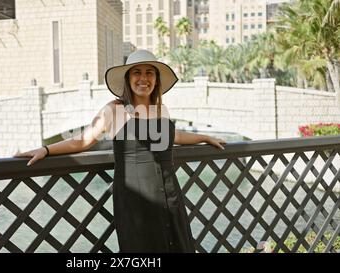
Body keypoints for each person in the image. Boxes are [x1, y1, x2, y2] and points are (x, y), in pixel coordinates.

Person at [15, 49, 226, 253]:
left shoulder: (162, 109)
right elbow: (82, 141)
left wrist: (204, 137)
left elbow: (175, 137)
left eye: (149, 73)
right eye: (137, 72)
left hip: (169, 195)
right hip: (135, 201)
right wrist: (45, 149)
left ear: (156, 79)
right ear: (127, 78)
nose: (143, 78)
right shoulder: (113, 110)